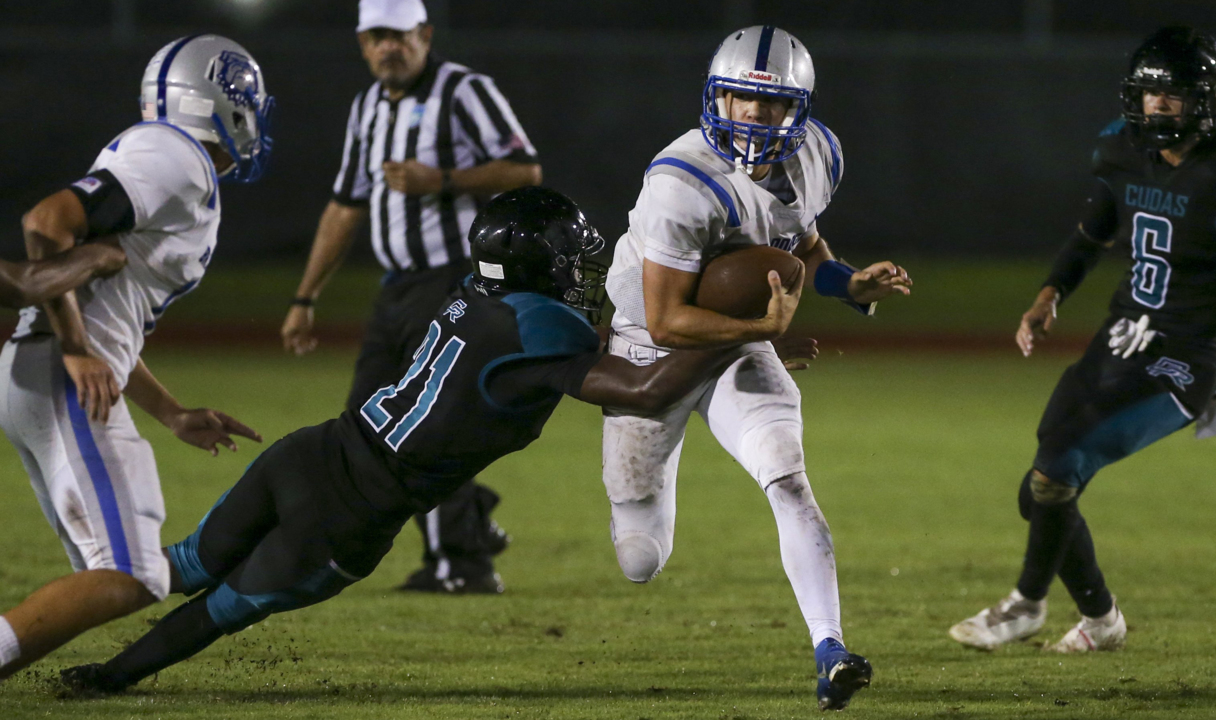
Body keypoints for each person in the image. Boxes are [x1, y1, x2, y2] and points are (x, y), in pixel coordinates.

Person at [57, 186, 804, 694]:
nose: (582, 271)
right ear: (541, 265)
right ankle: (100, 681)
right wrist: (748, 334)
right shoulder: (544, 324)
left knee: (183, 563)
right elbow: (643, 388)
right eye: (571, 259)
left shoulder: (478, 297)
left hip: (313, 452)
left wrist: (730, 340)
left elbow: (601, 351)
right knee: (220, 608)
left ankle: (41, 632)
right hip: (355, 509)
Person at [600, 26, 913, 711]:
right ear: (717, 97)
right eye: (741, 99)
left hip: (736, 337)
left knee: (788, 477)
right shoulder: (680, 182)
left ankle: (830, 649)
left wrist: (846, 284)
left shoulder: (817, 154)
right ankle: (654, 484)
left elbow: (798, 244)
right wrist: (763, 329)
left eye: (770, 104)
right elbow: (665, 318)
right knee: (641, 557)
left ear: (797, 110)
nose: (754, 115)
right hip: (650, 345)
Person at [950, 26, 1216, 653]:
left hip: (1184, 359)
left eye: (1174, 95)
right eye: (1150, 94)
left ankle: (1026, 602)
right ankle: (1102, 622)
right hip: (1119, 339)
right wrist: (1050, 294)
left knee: (1057, 470)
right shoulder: (1119, 149)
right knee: (1040, 488)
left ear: (1206, 100)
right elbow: (1092, 233)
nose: (1158, 107)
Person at [0, 35, 271, 679]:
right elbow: (46, 222)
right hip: (56, 373)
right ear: (220, 103)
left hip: (43, 375)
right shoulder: (175, 156)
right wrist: (73, 349)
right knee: (132, 572)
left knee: (116, 573)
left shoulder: (175, 164)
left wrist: (171, 411)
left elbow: (112, 318)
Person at [281, 0, 542, 595]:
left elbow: (526, 170)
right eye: (376, 36)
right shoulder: (367, 107)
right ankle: (466, 524)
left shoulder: (464, 90)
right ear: (361, 42)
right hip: (395, 288)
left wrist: (442, 182)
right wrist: (304, 297)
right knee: (366, 420)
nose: (388, 47)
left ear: (424, 35)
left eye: (398, 35)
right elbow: (345, 204)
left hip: (455, 279)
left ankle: (460, 562)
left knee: (431, 423)